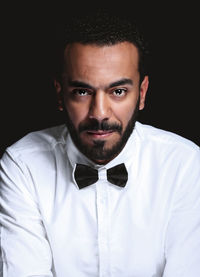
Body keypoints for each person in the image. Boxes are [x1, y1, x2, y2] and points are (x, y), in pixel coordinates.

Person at [0, 10, 200, 277]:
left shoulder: (185, 164)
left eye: (118, 91)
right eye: (82, 91)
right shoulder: (22, 166)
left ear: (141, 94)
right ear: (61, 94)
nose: (100, 113)